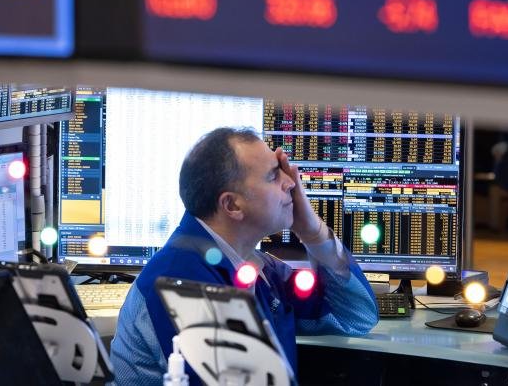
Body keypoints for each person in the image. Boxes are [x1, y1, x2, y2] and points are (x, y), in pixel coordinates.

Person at [110, 127, 379, 385]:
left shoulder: (251, 264)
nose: (292, 183)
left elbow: (355, 317)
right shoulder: (184, 285)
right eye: (274, 176)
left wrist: (313, 231)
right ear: (232, 204)